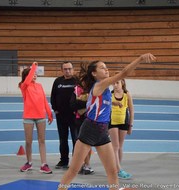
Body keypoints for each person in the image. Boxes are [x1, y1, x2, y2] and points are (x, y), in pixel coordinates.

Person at [57, 53, 156, 190]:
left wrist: (115, 105)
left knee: (112, 171)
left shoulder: (104, 88)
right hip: (90, 130)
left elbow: (101, 103)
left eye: (106, 67)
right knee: (73, 170)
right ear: (94, 73)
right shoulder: (101, 84)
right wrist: (139, 59)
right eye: (102, 68)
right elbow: (124, 73)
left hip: (103, 131)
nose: (106, 69)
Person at [18, 62, 53, 174]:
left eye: (35, 74)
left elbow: (44, 100)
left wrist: (49, 113)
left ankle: (44, 164)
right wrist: (33, 67)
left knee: (42, 141)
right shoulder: (24, 86)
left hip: (40, 117)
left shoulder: (39, 86)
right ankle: (28, 162)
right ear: (27, 76)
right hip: (28, 117)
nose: (35, 75)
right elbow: (27, 80)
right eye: (32, 74)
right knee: (28, 141)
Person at [51, 62, 78, 169]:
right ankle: (63, 161)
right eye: (65, 69)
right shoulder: (58, 81)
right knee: (63, 139)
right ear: (62, 70)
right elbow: (53, 96)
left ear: (73, 69)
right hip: (61, 116)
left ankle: (76, 162)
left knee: (76, 139)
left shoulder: (77, 81)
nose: (68, 71)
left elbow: (81, 96)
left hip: (74, 116)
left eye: (69, 69)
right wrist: (55, 109)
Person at [109, 78, 134, 179]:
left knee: (120, 146)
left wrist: (130, 125)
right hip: (112, 122)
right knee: (115, 146)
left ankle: (117, 168)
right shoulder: (109, 94)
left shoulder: (127, 94)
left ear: (122, 83)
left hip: (124, 121)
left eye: (117, 83)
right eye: (113, 83)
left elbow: (131, 110)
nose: (115, 85)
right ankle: (119, 169)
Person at [69, 83, 94, 175]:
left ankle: (86, 164)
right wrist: (86, 103)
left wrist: (81, 102)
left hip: (90, 119)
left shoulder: (93, 89)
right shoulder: (76, 90)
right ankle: (83, 164)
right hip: (79, 120)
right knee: (81, 143)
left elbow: (93, 104)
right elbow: (73, 104)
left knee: (88, 143)